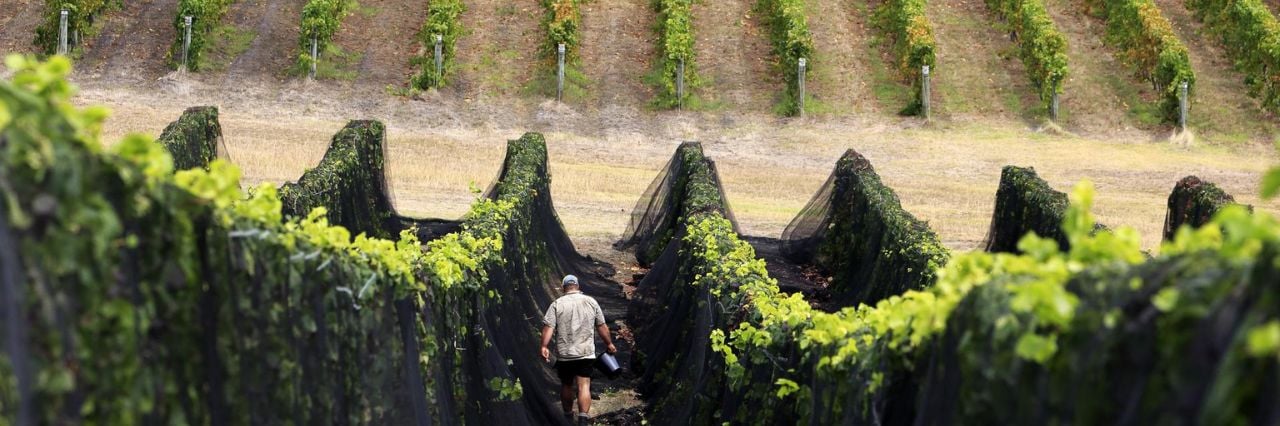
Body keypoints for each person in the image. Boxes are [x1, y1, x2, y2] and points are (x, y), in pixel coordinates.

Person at [540, 274, 617, 425]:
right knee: (584, 385)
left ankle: (568, 417)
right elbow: (601, 326)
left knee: (567, 384)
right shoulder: (590, 302)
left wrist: (544, 346)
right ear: (578, 286)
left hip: (565, 354)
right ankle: (582, 420)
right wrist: (609, 343)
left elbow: (548, 327)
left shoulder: (557, 304)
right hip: (585, 352)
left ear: (563, 288)